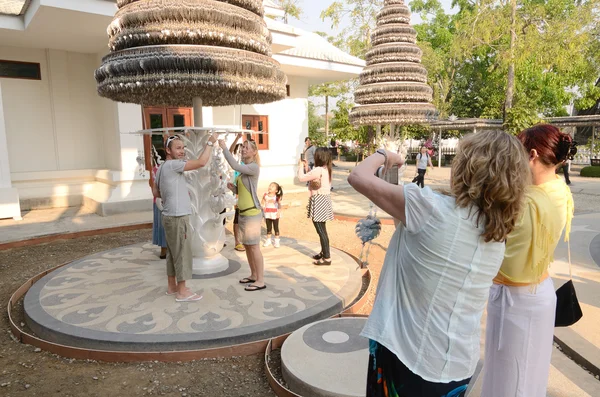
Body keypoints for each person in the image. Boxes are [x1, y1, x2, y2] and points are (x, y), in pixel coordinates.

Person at [348, 130, 530, 397]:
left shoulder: (431, 209)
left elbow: (357, 177)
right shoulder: (497, 232)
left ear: (467, 166)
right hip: (457, 364)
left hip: (408, 357)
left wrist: (384, 154)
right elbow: (411, 233)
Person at [482, 124, 575, 397]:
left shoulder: (524, 201)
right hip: (540, 291)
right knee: (528, 375)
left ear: (532, 154)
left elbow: (493, 243)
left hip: (516, 298)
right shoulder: (560, 189)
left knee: (510, 378)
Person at [153, 133, 218, 302]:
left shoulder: (161, 168)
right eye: (178, 148)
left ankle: (172, 287)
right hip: (177, 216)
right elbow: (202, 162)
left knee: (173, 253)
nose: (182, 151)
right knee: (182, 252)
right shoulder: (174, 165)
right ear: (168, 150)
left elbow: (155, 192)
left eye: (183, 148)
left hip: (168, 215)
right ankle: (182, 292)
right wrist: (210, 142)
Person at [219, 138, 266, 291]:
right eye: (243, 147)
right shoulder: (245, 169)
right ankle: (253, 275)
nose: (243, 149)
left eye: (246, 147)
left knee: (254, 247)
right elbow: (242, 192)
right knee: (247, 246)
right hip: (244, 213)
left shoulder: (253, 167)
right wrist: (233, 188)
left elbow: (233, 164)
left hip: (252, 213)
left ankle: (260, 280)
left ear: (254, 152)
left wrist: (225, 148)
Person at [298, 148, 334, 266]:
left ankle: (327, 258)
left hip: (318, 200)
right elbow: (311, 176)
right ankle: (324, 252)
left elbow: (302, 178)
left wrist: (300, 166)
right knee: (322, 229)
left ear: (320, 157)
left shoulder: (318, 170)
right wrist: (307, 166)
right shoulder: (326, 169)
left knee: (321, 231)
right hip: (324, 200)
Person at [150, 148, 168, 259]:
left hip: (157, 200)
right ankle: (168, 249)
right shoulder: (167, 169)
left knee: (161, 225)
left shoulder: (155, 169)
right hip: (167, 200)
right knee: (166, 225)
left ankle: (163, 250)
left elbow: (153, 186)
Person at [229, 134, 245, 251]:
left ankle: (244, 240)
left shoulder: (249, 163)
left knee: (245, 218)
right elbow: (230, 151)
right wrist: (237, 138)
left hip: (246, 192)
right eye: (240, 149)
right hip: (237, 192)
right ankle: (237, 241)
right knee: (237, 217)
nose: (242, 151)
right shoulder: (236, 160)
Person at [261, 182, 283, 248]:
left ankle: (276, 241)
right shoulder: (265, 195)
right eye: (270, 185)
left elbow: (279, 205)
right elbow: (262, 203)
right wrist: (263, 208)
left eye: (272, 186)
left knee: (276, 227)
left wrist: (279, 212)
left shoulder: (277, 197)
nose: (270, 187)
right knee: (268, 227)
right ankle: (268, 240)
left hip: (275, 214)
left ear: (276, 190)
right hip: (267, 214)